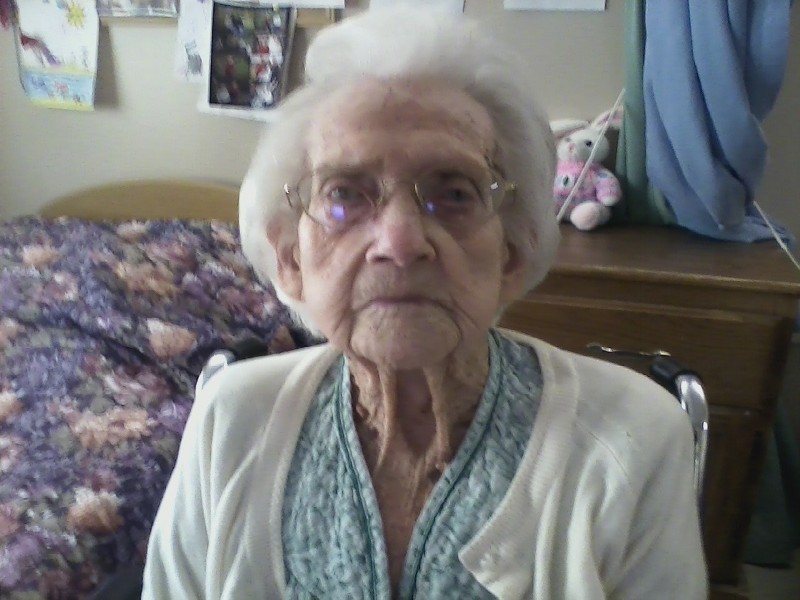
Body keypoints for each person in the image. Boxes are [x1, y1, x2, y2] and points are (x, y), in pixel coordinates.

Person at [142, 7, 707, 599]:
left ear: (513, 250)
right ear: (290, 258)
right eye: (344, 194)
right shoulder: (231, 419)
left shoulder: (633, 439)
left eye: (455, 194)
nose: (401, 241)